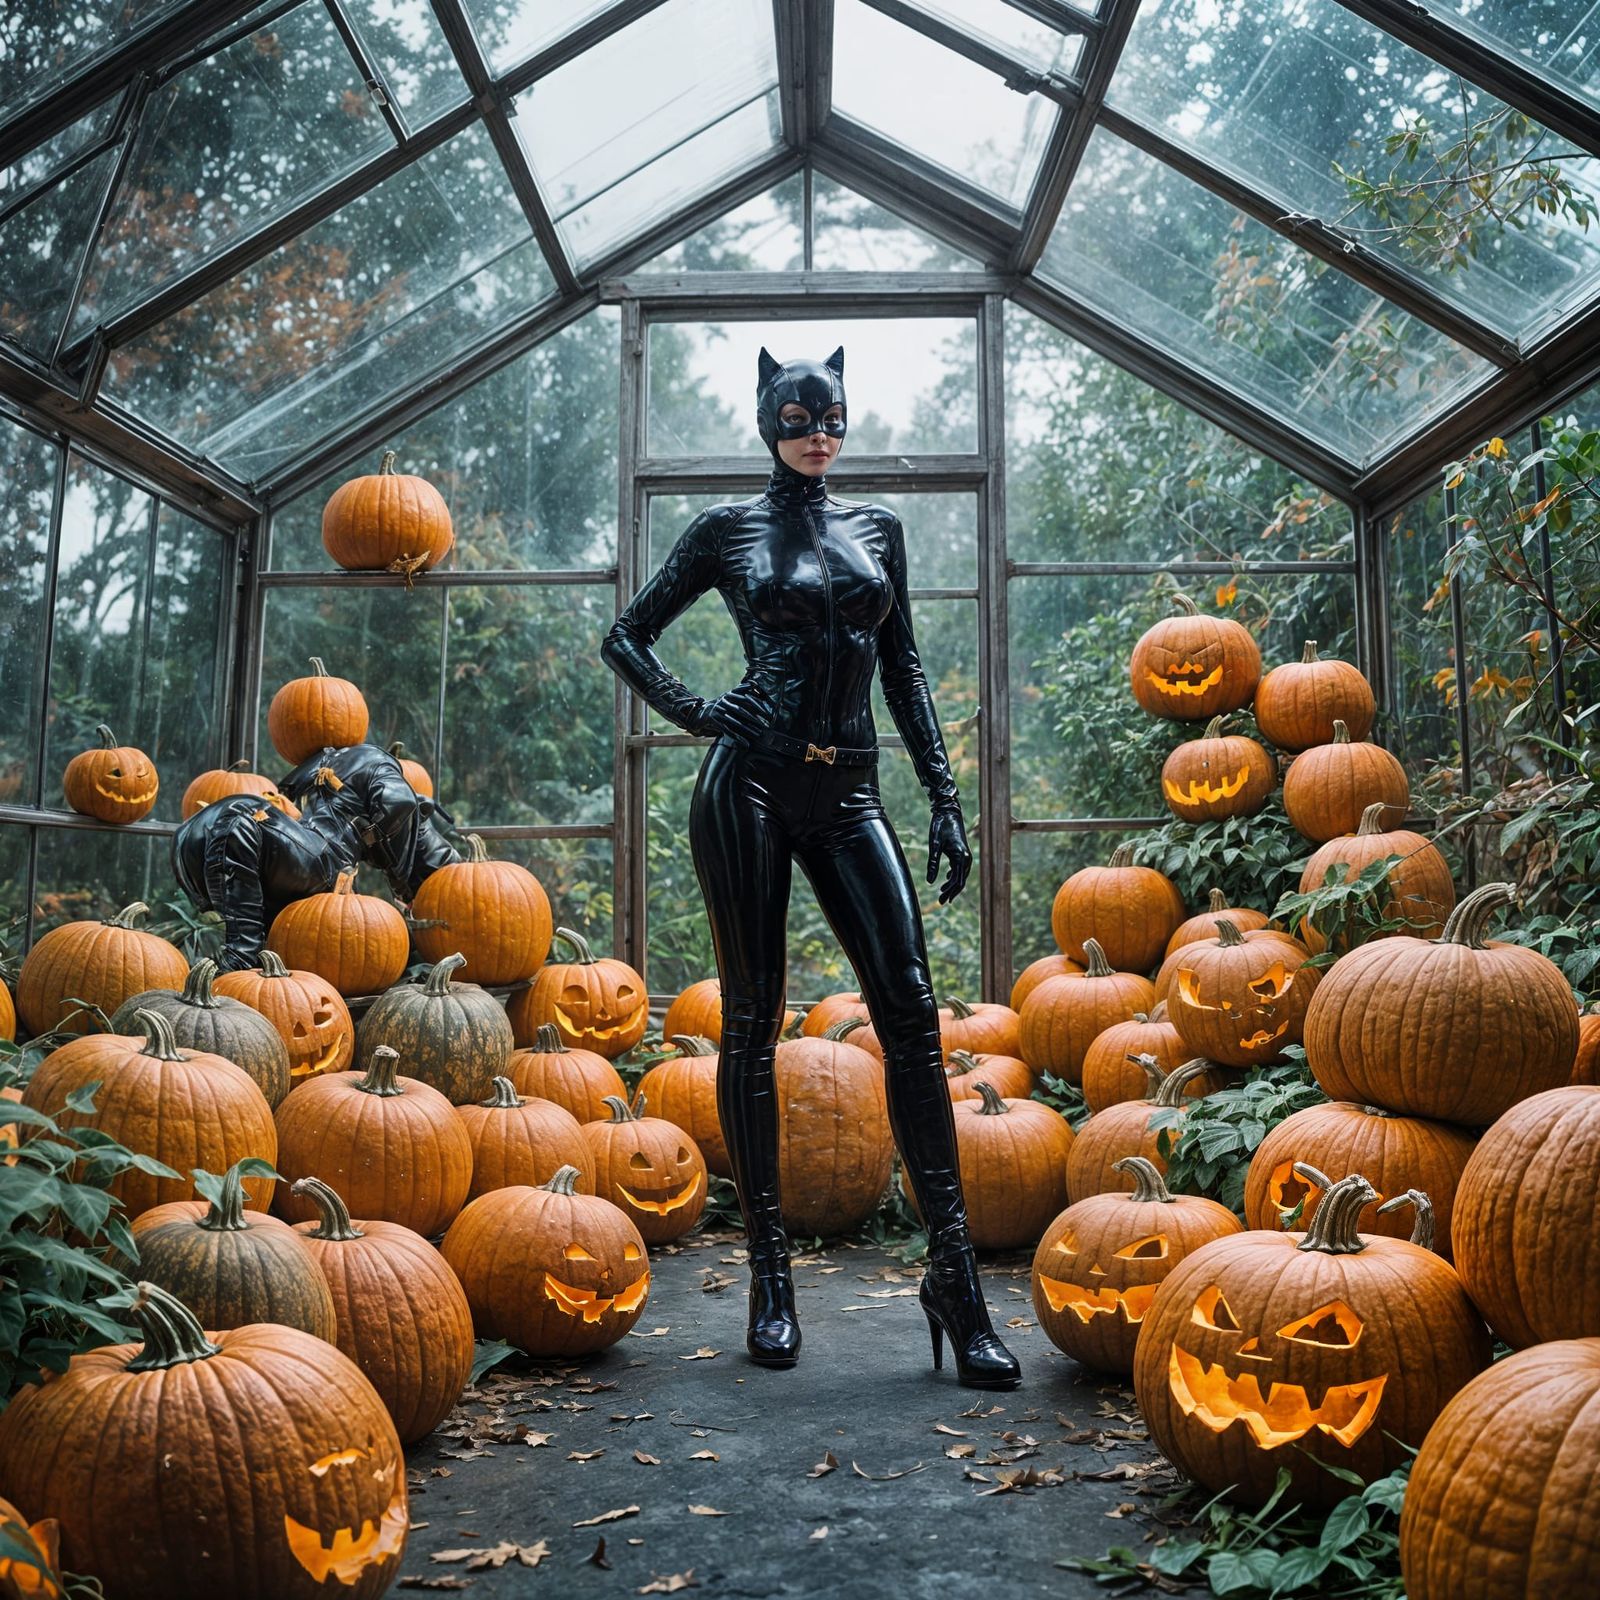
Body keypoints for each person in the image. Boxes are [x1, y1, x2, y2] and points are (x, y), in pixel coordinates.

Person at [600, 346, 1021, 1389]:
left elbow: (905, 663)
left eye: (829, 413)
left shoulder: (877, 528)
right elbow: (627, 636)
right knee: (751, 1018)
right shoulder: (725, 530)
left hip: (851, 788)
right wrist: (702, 711)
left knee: (913, 1012)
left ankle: (955, 1279)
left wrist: (945, 795)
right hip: (748, 784)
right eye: (795, 414)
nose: (815, 430)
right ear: (764, 418)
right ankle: (770, 1277)